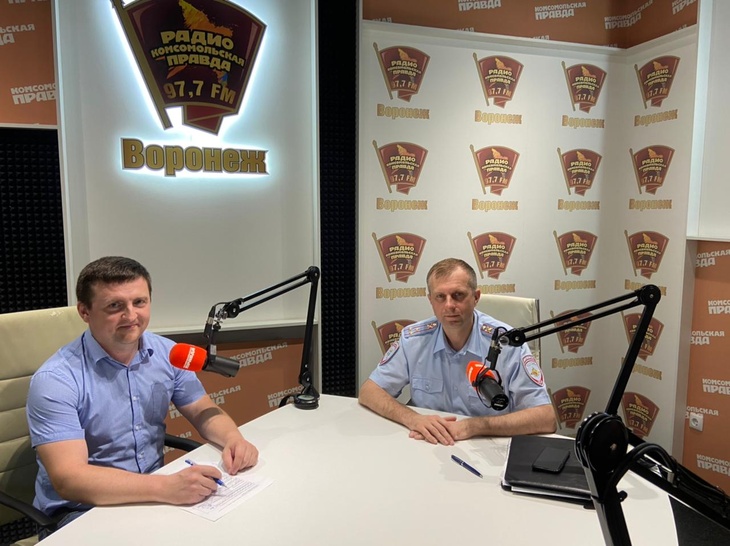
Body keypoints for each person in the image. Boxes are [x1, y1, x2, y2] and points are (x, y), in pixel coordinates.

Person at [26, 256, 258, 533]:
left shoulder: (167, 353)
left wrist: (233, 439)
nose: (131, 316)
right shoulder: (56, 379)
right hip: (81, 510)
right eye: (115, 306)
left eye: (139, 302)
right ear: (85, 312)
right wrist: (166, 487)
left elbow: (201, 410)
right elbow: (70, 479)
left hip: (153, 493)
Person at [359, 258, 556, 445]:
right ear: (430, 300)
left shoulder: (506, 343)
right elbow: (369, 392)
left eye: (458, 295)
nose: (449, 305)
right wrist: (413, 418)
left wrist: (474, 426)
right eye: (440, 297)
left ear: (476, 297)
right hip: (429, 445)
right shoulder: (414, 339)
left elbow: (545, 417)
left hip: (488, 447)